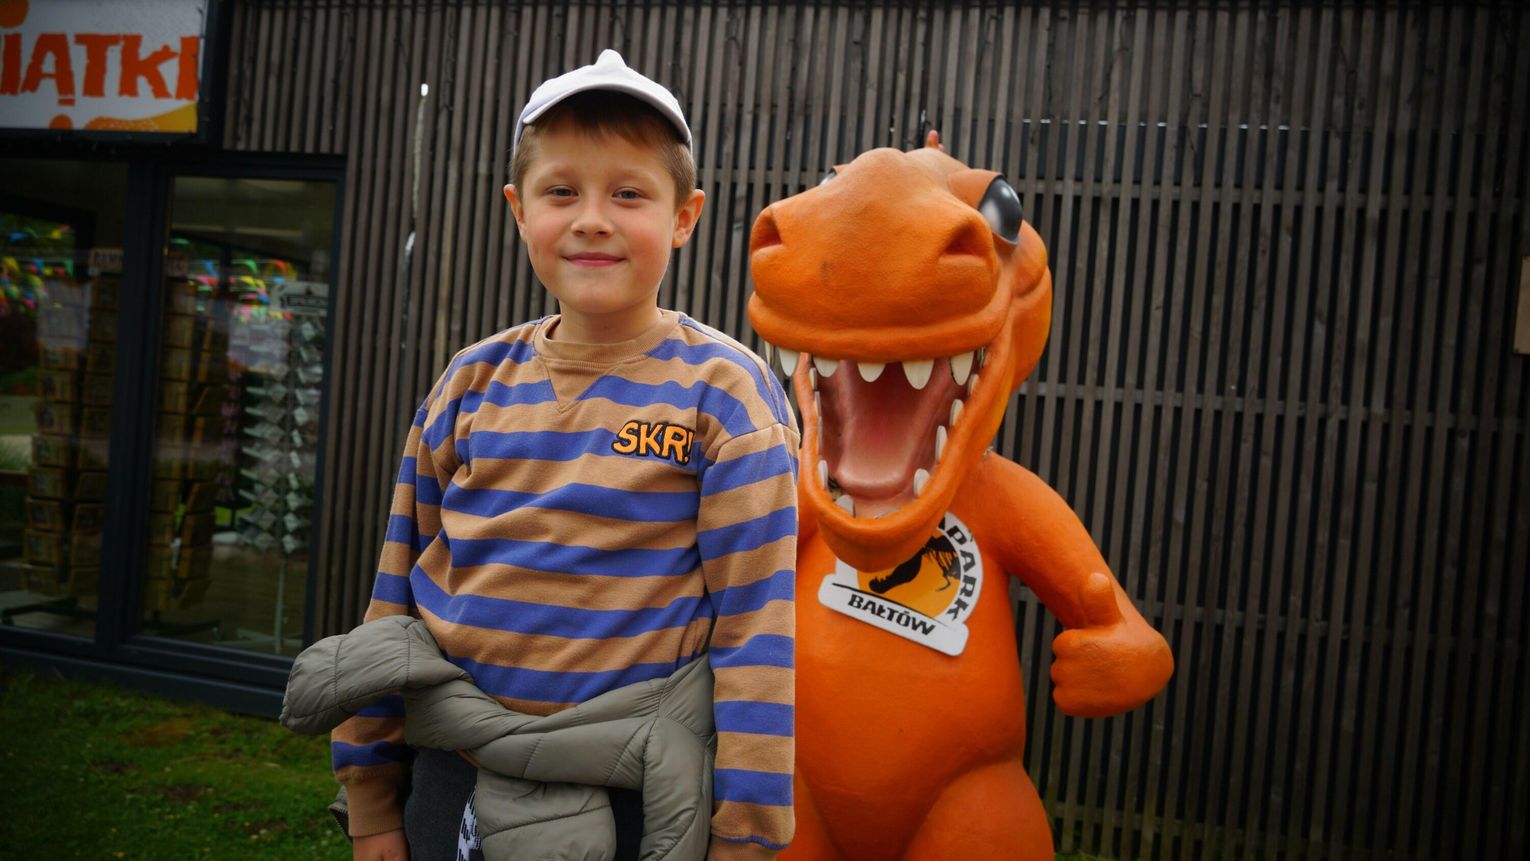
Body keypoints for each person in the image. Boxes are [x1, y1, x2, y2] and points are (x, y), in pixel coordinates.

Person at [331, 50, 799, 861]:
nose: (592, 219)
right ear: (519, 210)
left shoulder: (727, 396)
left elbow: (757, 635)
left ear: (685, 216)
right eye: (561, 192)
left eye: (628, 193)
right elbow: (393, 605)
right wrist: (371, 798)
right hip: (452, 777)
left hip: (631, 799)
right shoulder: (469, 383)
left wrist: (746, 835)